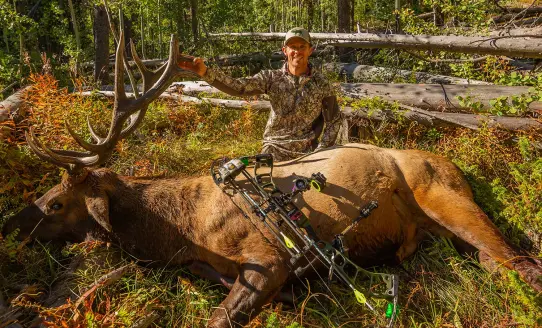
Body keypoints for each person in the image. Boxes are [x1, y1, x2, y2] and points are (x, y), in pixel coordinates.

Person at [178, 27, 342, 161]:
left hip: (307, 154)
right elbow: (238, 87)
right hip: (273, 150)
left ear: (310, 50)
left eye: (302, 47)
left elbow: (334, 120)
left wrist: (321, 152)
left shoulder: (321, 84)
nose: (297, 52)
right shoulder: (271, 78)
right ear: (284, 50)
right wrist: (205, 72)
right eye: (293, 47)